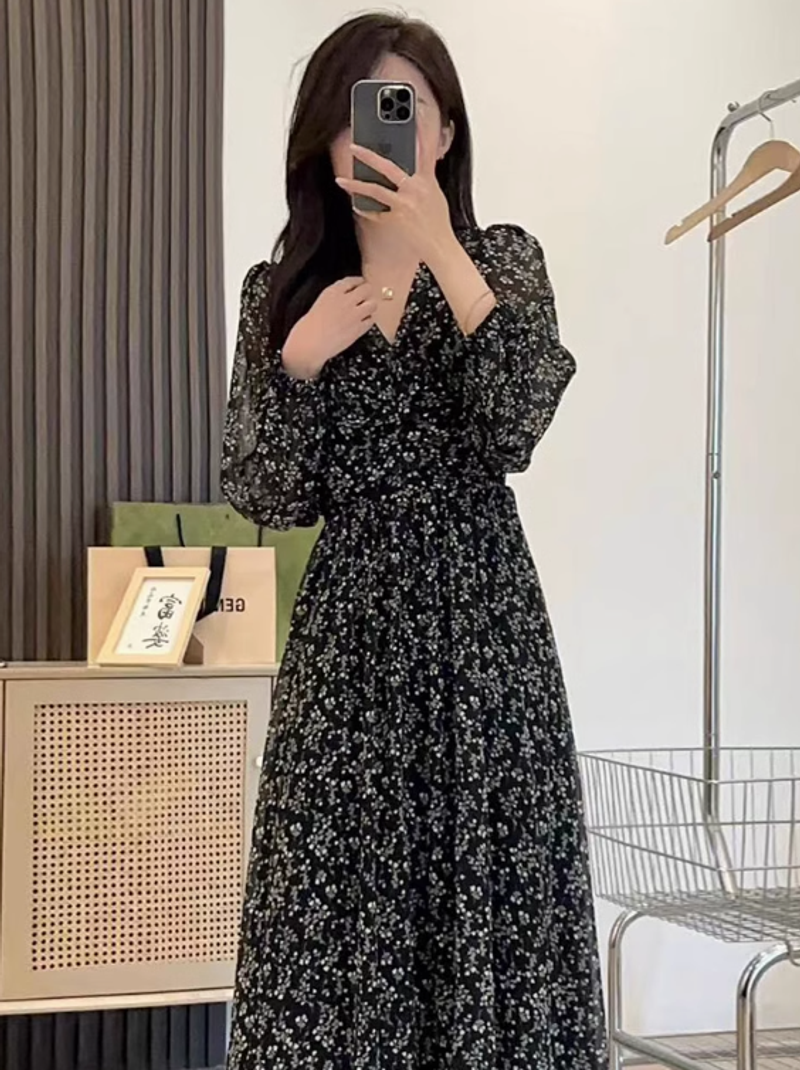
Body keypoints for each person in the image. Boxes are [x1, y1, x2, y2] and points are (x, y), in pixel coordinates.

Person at [221, 12, 606, 1070]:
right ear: (325, 138)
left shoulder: (502, 262)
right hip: (348, 638)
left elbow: (518, 423)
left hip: (482, 630)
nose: (378, 137)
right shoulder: (282, 293)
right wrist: (295, 368)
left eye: (405, 110)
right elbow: (267, 492)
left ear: (442, 133)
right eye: (359, 113)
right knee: (329, 886)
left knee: (488, 879)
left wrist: (441, 246)